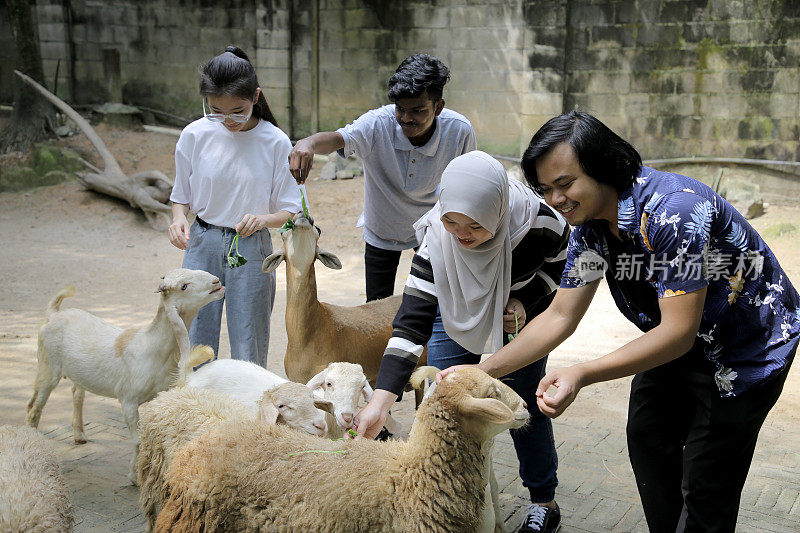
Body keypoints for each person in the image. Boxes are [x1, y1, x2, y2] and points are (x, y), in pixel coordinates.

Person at [439, 112, 800, 532]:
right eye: (545, 189)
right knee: (649, 439)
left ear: (604, 167)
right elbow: (560, 314)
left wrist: (581, 372)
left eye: (565, 184)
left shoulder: (674, 212)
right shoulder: (589, 228)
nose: (554, 200)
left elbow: (677, 333)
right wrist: (478, 372)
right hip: (678, 340)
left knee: (706, 481)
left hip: (744, 350)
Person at [354, 151, 570, 533]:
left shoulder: (539, 224)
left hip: (517, 317)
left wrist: (526, 299)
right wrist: (380, 403)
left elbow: (560, 265)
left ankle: (543, 501)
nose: (461, 235)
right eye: (451, 220)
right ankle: (456, 496)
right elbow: (411, 322)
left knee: (522, 404)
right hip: (454, 310)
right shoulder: (438, 240)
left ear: (498, 212)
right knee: (445, 400)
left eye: (474, 225)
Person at [288, 53, 477, 301]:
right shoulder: (378, 124)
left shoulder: (459, 130)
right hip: (382, 227)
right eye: (401, 109)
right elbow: (339, 139)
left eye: (418, 110)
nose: (407, 118)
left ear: (438, 107)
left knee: (436, 301)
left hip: (432, 229)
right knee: (376, 306)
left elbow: (470, 183)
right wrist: (308, 143)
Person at [168, 45, 302, 368]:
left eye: (238, 111)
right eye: (216, 110)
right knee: (196, 335)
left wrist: (263, 219)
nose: (227, 120)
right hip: (202, 243)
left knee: (249, 339)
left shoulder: (275, 142)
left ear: (256, 96)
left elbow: (290, 210)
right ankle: (198, 410)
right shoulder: (194, 135)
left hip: (251, 245)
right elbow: (180, 196)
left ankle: (247, 414)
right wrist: (177, 219)